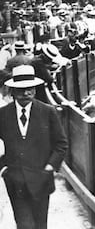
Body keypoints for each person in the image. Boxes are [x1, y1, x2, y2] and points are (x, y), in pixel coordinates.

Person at [0, 64, 68, 229]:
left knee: (40, 225)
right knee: (24, 225)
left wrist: (50, 167)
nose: (26, 93)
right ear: (13, 91)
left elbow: (61, 144)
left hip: (41, 179)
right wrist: (3, 169)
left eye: (30, 89)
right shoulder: (3, 114)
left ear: (35, 90)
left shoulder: (48, 112)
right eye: (21, 89)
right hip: (15, 181)